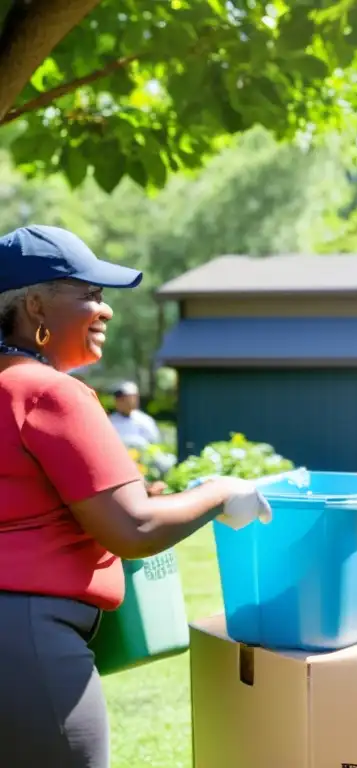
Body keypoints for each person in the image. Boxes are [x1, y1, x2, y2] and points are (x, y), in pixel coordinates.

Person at [0, 225, 272, 768]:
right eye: (91, 295)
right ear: (35, 307)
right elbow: (135, 528)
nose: (106, 312)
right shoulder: (49, 391)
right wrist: (221, 491)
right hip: (29, 645)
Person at [109, 380, 161, 449]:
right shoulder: (109, 421)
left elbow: (155, 444)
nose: (120, 401)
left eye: (124, 398)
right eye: (118, 398)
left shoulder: (145, 421)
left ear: (135, 398)